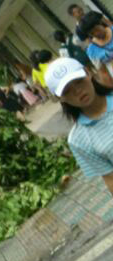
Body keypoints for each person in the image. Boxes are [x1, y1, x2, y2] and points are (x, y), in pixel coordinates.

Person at [45, 56, 113, 194]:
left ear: (87, 73)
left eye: (78, 81)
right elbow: (110, 178)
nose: (77, 91)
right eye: (67, 91)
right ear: (60, 98)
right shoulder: (78, 140)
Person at [77, 11, 113, 85]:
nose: (96, 34)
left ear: (100, 23)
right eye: (92, 33)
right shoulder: (92, 50)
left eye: (97, 29)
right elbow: (103, 72)